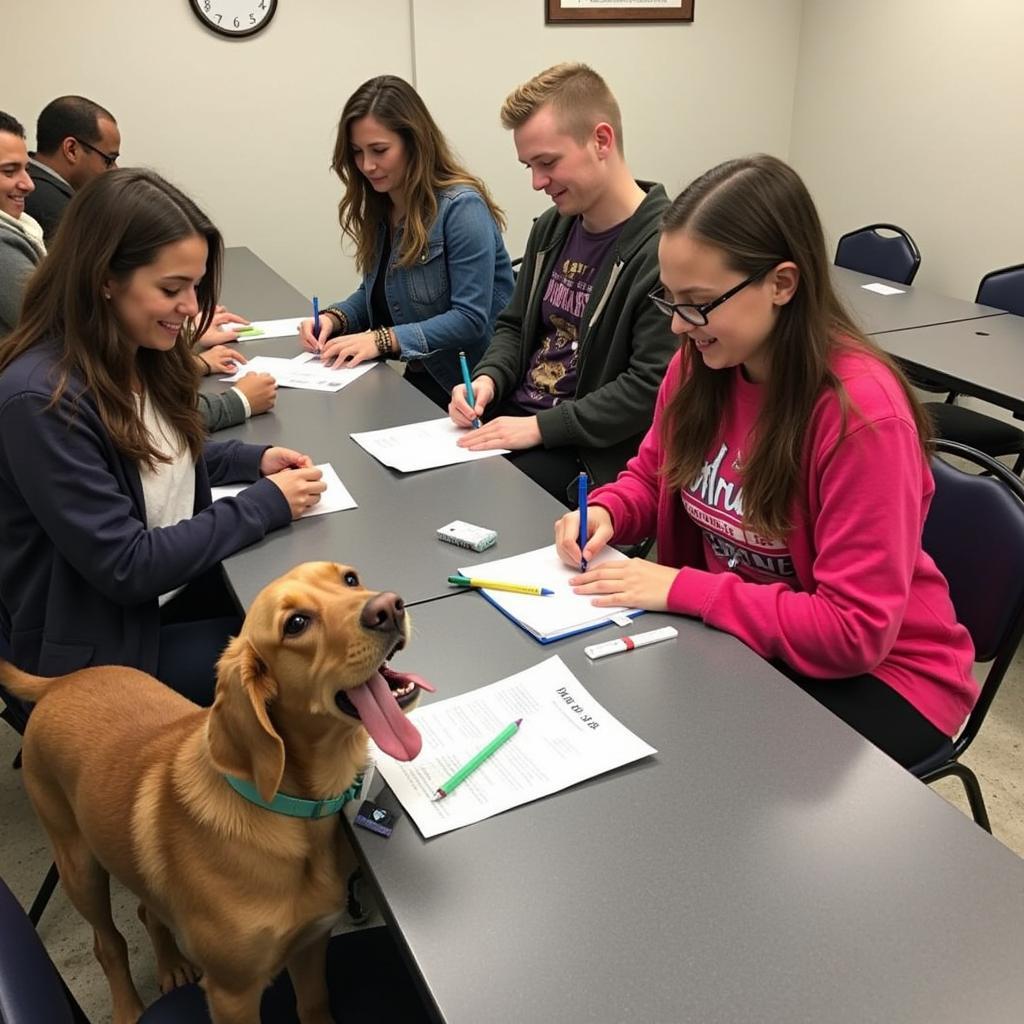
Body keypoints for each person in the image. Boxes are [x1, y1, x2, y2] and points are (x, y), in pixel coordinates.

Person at [554, 154, 977, 768]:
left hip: (888, 676)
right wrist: (610, 515)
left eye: (697, 302)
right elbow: (652, 475)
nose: (678, 323)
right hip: (752, 636)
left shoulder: (860, 416)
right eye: (669, 299)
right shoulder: (702, 363)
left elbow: (852, 632)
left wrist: (684, 588)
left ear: (781, 283)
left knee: (706, 769)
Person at [0, 168, 326, 705]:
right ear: (105, 278)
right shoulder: (41, 400)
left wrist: (251, 460)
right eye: (172, 289)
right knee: (300, 669)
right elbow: (126, 565)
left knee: (307, 614)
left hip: (165, 602)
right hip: (99, 656)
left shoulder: (134, 352)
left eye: (194, 286)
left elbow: (147, 456)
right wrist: (264, 505)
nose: (193, 307)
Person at [449, 62, 677, 505]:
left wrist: (539, 428)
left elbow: (650, 386)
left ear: (601, 141)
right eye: (529, 166)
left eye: (548, 163)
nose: (537, 182)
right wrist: (488, 380)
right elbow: (514, 326)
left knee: (474, 501)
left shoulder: (665, 250)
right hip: (520, 420)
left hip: (588, 453)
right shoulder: (552, 229)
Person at [298, 75, 513, 409]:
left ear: (415, 143)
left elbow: (471, 319)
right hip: (424, 378)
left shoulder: (461, 208)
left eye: (380, 150)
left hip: (474, 392)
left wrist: (382, 340)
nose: (367, 165)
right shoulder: (384, 205)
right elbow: (381, 291)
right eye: (357, 152)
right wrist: (334, 319)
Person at [25, 95, 121, 243]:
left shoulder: (31, 183)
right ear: (71, 150)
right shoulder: (57, 210)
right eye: (109, 160)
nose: (114, 170)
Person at [0, 112, 45, 336]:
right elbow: (50, 324)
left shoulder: (21, 226)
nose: (29, 185)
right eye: (9, 171)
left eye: (27, 169)